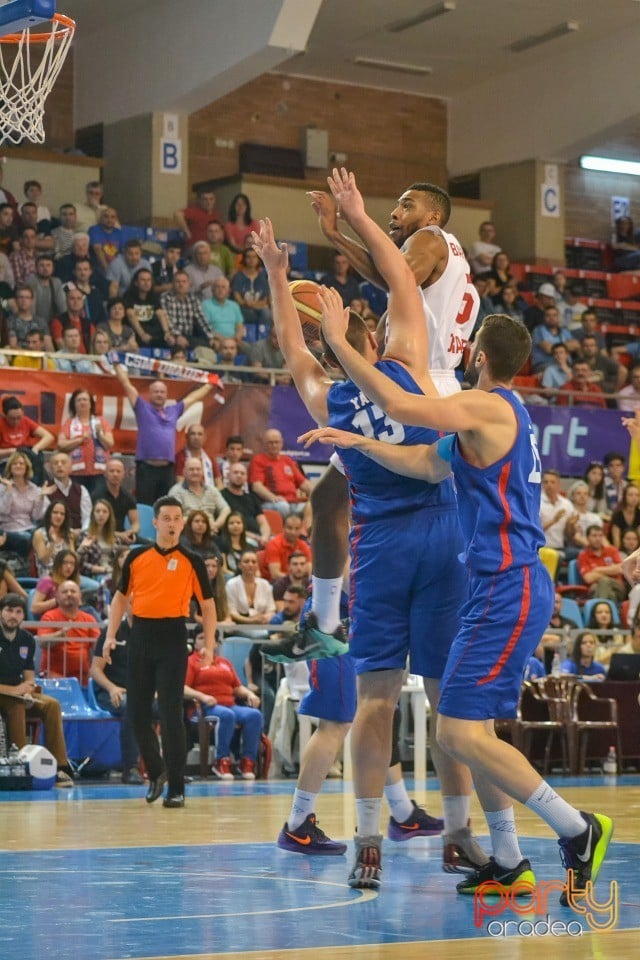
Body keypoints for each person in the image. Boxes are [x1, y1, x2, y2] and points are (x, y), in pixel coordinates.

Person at [301, 170, 612, 899]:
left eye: (405, 205)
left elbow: (396, 377)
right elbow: (419, 455)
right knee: (453, 727)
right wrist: (358, 445)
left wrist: (342, 340)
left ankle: (570, 829)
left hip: (506, 580)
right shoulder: (483, 420)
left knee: (462, 730)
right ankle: (503, 853)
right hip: (481, 573)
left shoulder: (483, 401)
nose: (399, 213)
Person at [253, 175, 482, 885]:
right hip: (438, 527)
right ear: (374, 334)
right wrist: (353, 214)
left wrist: (277, 275)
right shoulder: (409, 355)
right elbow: (394, 278)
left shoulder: (331, 394)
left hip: (379, 543)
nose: (362, 307)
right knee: (447, 701)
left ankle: (370, 843)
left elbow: (295, 352)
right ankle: (459, 836)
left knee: (377, 700)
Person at [102, 496, 216, 807]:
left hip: (173, 637)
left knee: (170, 714)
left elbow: (207, 605)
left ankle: (176, 788)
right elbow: (119, 599)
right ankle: (157, 771)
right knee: (136, 713)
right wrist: (110, 636)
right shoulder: (137, 556)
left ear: (182, 522)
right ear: (155, 522)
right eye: (165, 517)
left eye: (176, 517)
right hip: (141, 636)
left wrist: (210, 643)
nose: (171, 522)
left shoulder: (192, 560)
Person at [0, 593, 74, 787]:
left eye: (18, 612)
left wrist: (27, 691)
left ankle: (59, 767)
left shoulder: (26, 640)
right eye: (8, 610)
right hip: (4, 692)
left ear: (23, 616)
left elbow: (29, 677)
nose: (13, 616)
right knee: (16, 704)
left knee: (51, 705)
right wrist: (16, 691)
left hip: (17, 690)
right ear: (1, 613)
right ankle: (23, 767)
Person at [114, 365, 213, 505]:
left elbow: (193, 398)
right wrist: (117, 364)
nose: (159, 394)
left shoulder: (174, 410)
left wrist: (210, 385)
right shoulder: (142, 407)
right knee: (145, 507)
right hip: (146, 469)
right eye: (156, 392)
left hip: (167, 470)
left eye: (162, 392)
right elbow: (126, 384)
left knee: (166, 507)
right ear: (150, 394)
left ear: (166, 395)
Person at [184, 632, 263, 780]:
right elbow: (183, 688)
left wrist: (249, 694)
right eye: (201, 637)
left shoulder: (224, 663)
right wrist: (203, 696)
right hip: (204, 708)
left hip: (230, 704)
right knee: (227, 715)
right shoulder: (191, 662)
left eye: (210, 637)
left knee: (254, 715)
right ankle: (221, 761)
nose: (207, 640)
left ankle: (246, 761)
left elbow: (237, 687)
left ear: (216, 643)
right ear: (195, 643)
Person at [38, 580, 100, 682]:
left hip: (83, 678)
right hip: (54, 678)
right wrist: (61, 635)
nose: (69, 594)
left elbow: (98, 646)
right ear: (57, 597)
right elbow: (42, 642)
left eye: (73, 591)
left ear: (80, 597)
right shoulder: (49, 616)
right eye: (64, 592)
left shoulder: (89, 619)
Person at [57, 389, 114, 494]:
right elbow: (61, 444)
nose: (82, 402)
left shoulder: (101, 422)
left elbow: (110, 444)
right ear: (74, 405)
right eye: (78, 400)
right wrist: (80, 440)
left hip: (99, 474)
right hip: (76, 474)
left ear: (91, 404)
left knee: (98, 504)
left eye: (85, 399)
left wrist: (100, 435)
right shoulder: (69, 423)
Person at [248, 428, 312, 520]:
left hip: (293, 504)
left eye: (276, 442)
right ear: (264, 444)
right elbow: (257, 486)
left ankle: (307, 533)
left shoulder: (288, 461)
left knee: (311, 506)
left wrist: (318, 494)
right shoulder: (258, 460)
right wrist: (273, 497)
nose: (274, 445)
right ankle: (286, 532)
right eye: (270, 442)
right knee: (283, 506)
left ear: (281, 443)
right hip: (272, 503)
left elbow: (304, 483)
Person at [0, 451, 50, 562]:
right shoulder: (3, 487)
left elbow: (36, 516)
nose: (18, 466)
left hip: (28, 527)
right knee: (26, 539)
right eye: (15, 463)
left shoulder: (34, 489)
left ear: (26, 467)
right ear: (10, 467)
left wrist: (41, 497)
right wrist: (9, 491)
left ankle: (42, 567)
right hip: (8, 529)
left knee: (44, 535)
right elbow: (3, 511)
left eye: (21, 463)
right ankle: (24, 567)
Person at [0, 395, 54, 485]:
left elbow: (49, 437)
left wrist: (35, 449)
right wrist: (11, 451)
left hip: (26, 461)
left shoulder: (25, 421)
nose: (16, 421)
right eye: (12, 418)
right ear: (4, 415)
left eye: (19, 417)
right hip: (7, 462)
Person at [168, 457, 230, 534]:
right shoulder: (176, 491)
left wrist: (215, 525)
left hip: (211, 534)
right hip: (188, 536)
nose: (195, 472)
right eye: (191, 469)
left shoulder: (212, 490)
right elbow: (173, 518)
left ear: (203, 472)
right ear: (184, 472)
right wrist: (202, 522)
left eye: (198, 469)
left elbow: (226, 509)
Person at [220, 462, 271, 545]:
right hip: (239, 537)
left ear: (246, 478)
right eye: (235, 472)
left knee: (275, 543)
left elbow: (263, 522)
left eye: (242, 473)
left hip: (259, 537)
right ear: (228, 476)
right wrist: (254, 537)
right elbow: (227, 526)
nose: (239, 475)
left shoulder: (252, 498)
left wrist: (265, 537)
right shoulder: (221, 496)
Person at [91, 458, 140, 544]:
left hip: (124, 535)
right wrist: (119, 535)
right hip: (102, 535)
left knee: (151, 546)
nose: (115, 474)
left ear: (124, 474)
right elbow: (93, 525)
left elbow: (135, 523)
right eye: (112, 471)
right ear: (105, 474)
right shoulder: (96, 495)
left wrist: (132, 532)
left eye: (118, 471)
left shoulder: (128, 497)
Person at [226, 549, 276, 625]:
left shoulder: (265, 584)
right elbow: (231, 612)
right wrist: (251, 621)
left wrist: (265, 618)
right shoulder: (231, 584)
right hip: (239, 625)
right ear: (239, 565)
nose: (250, 564)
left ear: (257, 565)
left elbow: (271, 609)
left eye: (254, 562)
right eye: (246, 561)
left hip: (263, 624)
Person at [47, 450, 92, 535]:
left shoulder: (81, 490)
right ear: (50, 468)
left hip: (79, 534)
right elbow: (45, 518)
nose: (59, 465)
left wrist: (82, 532)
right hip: (54, 534)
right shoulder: (45, 489)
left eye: (63, 463)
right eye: (56, 463)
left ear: (71, 467)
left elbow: (87, 517)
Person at [31, 549, 80, 619]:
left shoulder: (72, 583)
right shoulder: (47, 581)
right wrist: (57, 600)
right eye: (65, 563)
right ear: (58, 564)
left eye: (72, 564)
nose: (69, 566)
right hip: (50, 619)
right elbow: (34, 608)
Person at [31, 501, 75, 577]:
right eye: (55, 512)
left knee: (95, 586)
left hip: (69, 575)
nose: (59, 516)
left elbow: (73, 559)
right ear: (49, 515)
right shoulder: (39, 534)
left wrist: (83, 547)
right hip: (49, 576)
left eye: (62, 514)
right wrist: (52, 543)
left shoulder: (69, 534)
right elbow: (44, 560)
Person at [77, 499, 119, 579]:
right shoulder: (85, 535)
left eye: (104, 512)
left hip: (112, 572)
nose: (101, 514)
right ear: (93, 514)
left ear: (109, 515)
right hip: (95, 574)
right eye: (98, 511)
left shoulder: (115, 538)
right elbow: (82, 565)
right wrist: (105, 570)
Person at [263, 513, 311, 581]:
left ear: (301, 529)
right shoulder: (273, 544)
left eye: (297, 528)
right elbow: (275, 574)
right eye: (289, 528)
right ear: (283, 527)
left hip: (299, 583)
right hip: (278, 584)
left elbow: (309, 571)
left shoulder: (303, 545)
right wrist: (295, 579)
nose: (293, 532)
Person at [175, 423, 219, 487]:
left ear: (204, 438)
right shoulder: (179, 457)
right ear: (187, 437)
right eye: (193, 434)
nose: (196, 437)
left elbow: (219, 482)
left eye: (200, 434)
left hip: (210, 494)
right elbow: (180, 484)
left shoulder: (210, 458)